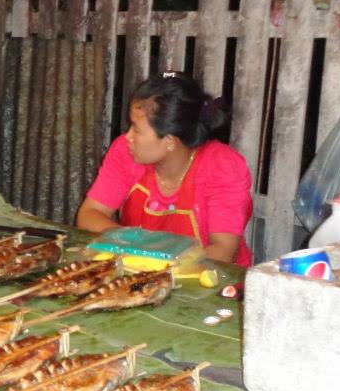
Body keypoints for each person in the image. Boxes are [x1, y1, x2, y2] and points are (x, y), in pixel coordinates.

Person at [76, 72, 254, 266]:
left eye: (136, 128)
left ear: (169, 141)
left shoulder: (222, 166)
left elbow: (223, 251)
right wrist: (139, 244)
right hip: (142, 271)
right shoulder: (125, 152)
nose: (128, 136)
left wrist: (162, 259)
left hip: (212, 282)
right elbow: (89, 214)